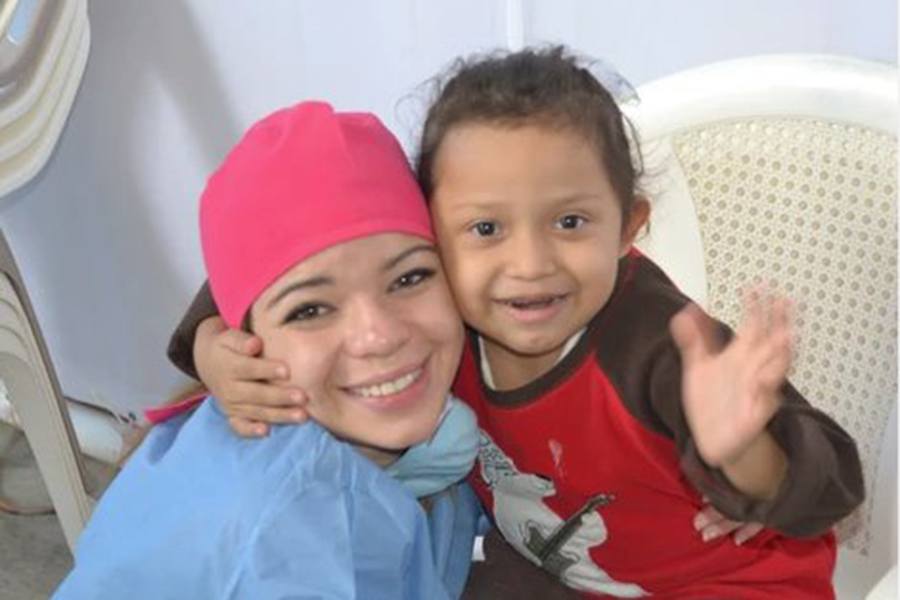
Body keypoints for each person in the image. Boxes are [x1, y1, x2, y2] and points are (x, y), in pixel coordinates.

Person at [168, 47, 864, 598]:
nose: (529, 263)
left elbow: (830, 492)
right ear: (425, 231)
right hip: (554, 569)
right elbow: (292, 242)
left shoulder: (663, 347)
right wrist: (210, 343)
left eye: (570, 221)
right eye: (485, 228)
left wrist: (743, 449)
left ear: (628, 228)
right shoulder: (439, 309)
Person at [54, 101, 485, 599]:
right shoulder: (287, 536)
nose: (379, 335)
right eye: (310, 311)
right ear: (245, 342)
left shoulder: (310, 439)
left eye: (410, 277)